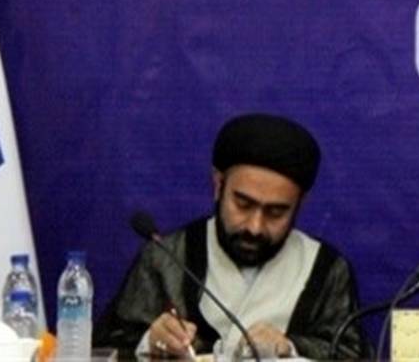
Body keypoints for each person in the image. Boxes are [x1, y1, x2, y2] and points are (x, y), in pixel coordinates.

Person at [95, 113, 364, 359]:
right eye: (243, 204)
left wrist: (290, 349)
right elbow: (106, 347)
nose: (255, 227)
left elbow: (351, 354)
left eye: (276, 212)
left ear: (300, 204)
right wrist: (150, 341)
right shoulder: (167, 257)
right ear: (218, 185)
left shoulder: (326, 269)